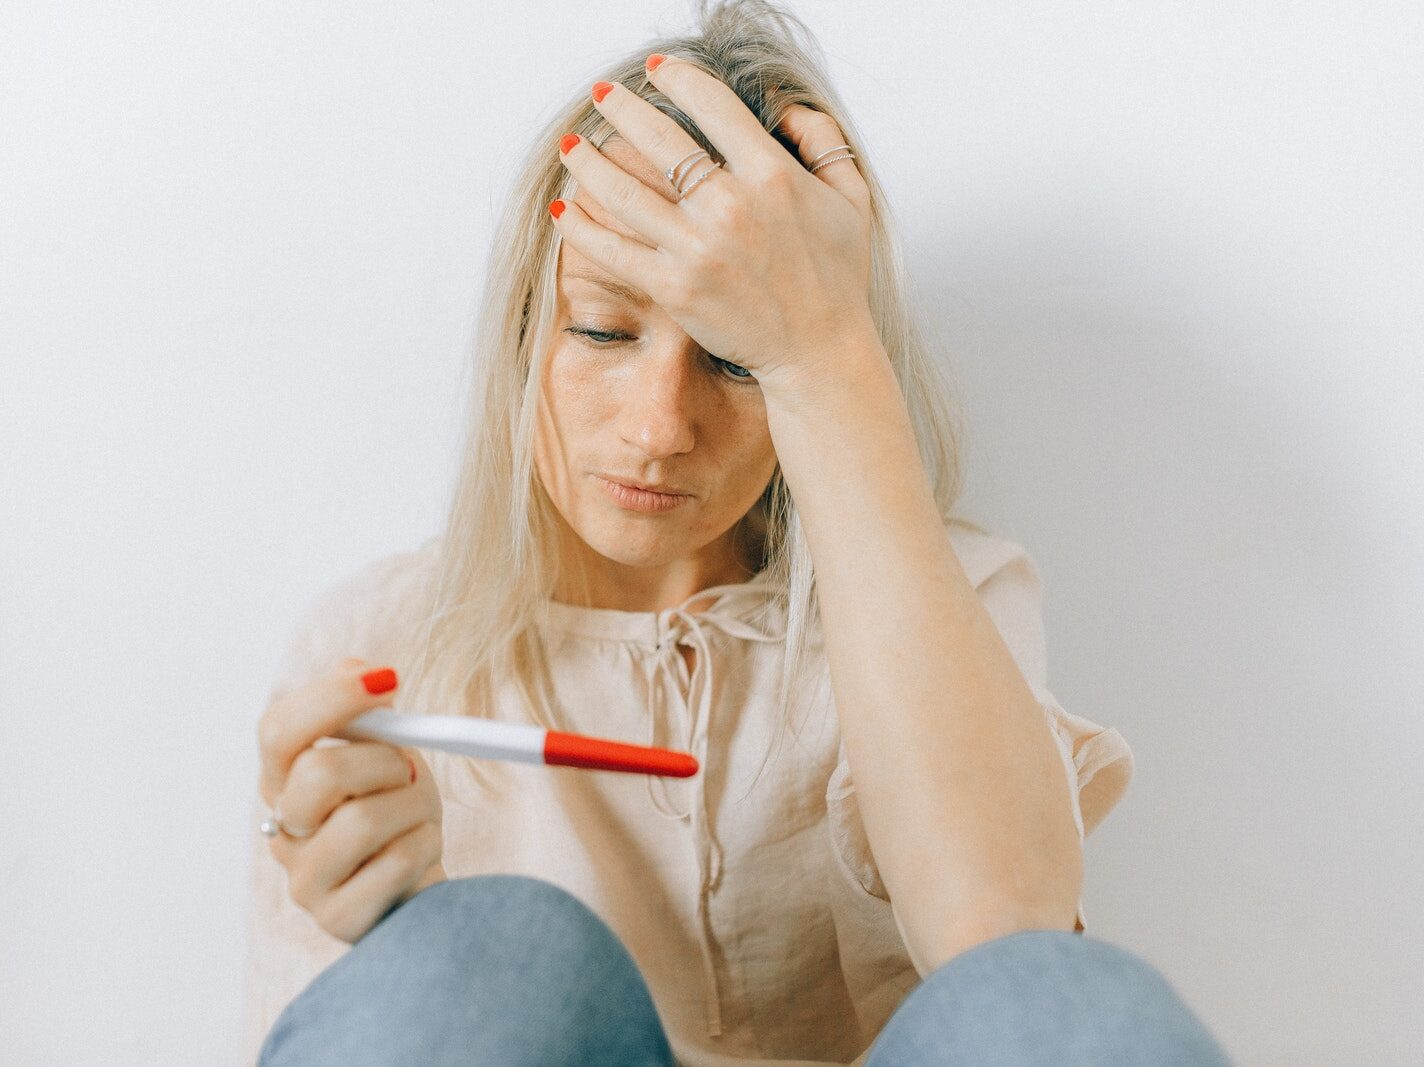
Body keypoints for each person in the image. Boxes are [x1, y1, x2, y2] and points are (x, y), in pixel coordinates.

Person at [242, 1, 1234, 1064]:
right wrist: (402, 937)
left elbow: (1008, 942)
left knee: (1066, 1001)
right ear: (524, 324)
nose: (659, 428)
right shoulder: (378, 639)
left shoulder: (946, 595)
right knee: (485, 948)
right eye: (600, 328)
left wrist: (819, 350)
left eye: (733, 356)